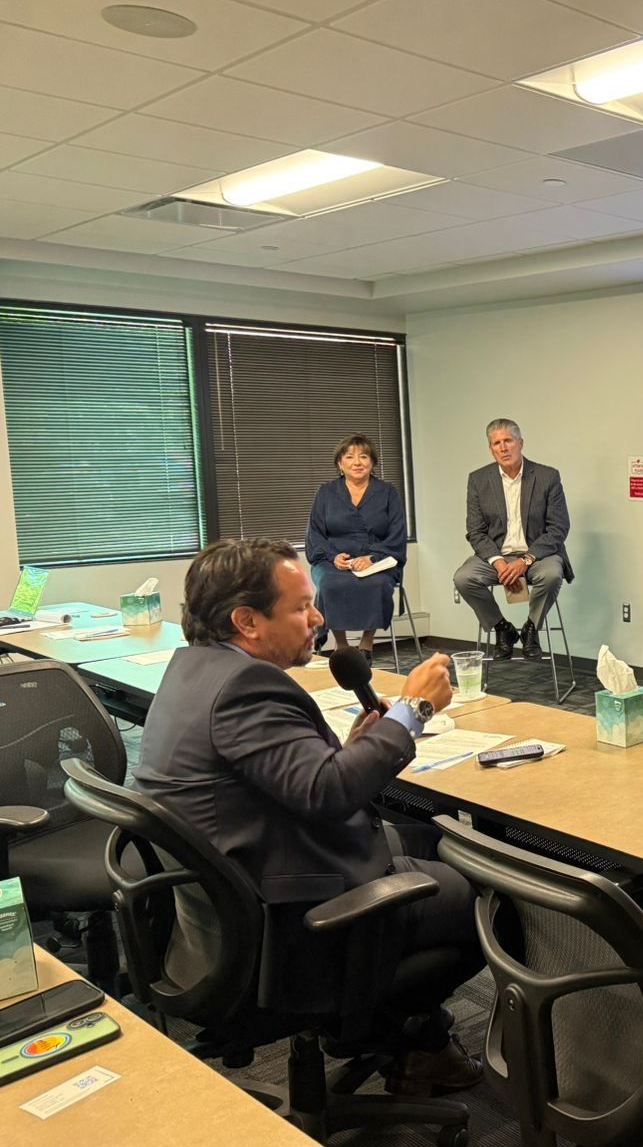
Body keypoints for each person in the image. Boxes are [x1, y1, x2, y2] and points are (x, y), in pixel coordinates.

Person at [133, 538, 484, 1095]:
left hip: (231, 905)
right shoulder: (246, 686)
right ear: (247, 621)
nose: (319, 619)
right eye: (301, 608)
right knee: (490, 896)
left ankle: (397, 1035)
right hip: (288, 930)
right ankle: (399, 1039)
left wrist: (352, 750)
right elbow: (327, 794)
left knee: (428, 838)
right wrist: (412, 710)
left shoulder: (195, 669)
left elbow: (284, 780)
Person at [452, 417, 574, 661]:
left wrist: (525, 560)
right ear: (490, 449)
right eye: (496, 443)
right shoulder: (478, 480)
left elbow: (558, 528)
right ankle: (502, 628)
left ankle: (531, 628)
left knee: (552, 575)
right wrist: (498, 562)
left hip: (538, 556)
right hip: (496, 556)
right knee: (463, 578)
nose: (503, 448)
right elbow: (475, 531)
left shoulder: (547, 476)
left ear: (520, 443)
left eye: (508, 440)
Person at [306, 433, 407, 662]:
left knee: (378, 583)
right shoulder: (325, 492)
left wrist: (372, 558)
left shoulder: (388, 492)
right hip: (332, 561)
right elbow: (315, 534)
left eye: (363, 456)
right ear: (340, 464)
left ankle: (366, 643)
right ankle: (341, 646)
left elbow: (397, 535)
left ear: (372, 462)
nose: (357, 462)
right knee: (330, 584)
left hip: (379, 559)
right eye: (349, 457)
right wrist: (333, 557)